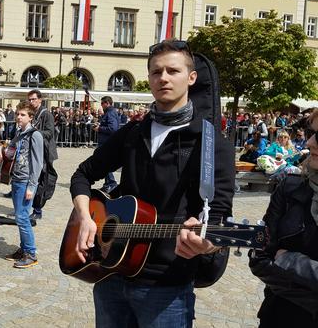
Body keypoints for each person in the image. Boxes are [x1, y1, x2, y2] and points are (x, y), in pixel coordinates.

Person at [69, 39, 235, 327]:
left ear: (191, 77)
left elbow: (218, 216)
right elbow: (82, 174)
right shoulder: (133, 132)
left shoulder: (211, 143)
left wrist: (205, 244)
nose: (164, 78)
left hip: (166, 286)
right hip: (110, 273)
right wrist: (85, 218)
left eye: (173, 70)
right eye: (156, 72)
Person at [249, 108, 318, 327]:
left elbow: (278, 258)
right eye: (310, 133)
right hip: (281, 315)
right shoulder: (290, 187)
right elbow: (260, 257)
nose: (310, 143)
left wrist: (290, 260)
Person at [4, 101, 43, 268]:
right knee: (20, 218)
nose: (18, 117)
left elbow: (38, 162)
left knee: (22, 217)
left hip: (26, 180)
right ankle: (23, 248)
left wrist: (32, 186)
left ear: (31, 117)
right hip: (17, 178)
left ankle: (31, 253)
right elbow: (12, 154)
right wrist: (8, 150)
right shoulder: (19, 133)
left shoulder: (35, 135)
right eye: (17, 114)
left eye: (22, 115)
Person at [26, 89, 58, 220]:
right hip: (35, 150)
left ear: (40, 100)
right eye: (30, 99)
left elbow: (50, 133)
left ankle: (38, 210)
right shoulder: (31, 113)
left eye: (33, 99)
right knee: (33, 178)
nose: (31, 101)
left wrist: (34, 132)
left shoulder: (46, 114)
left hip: (45, 152)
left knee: (41, 180)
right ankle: (31, 206)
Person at [95, 96, 121, 193]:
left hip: (107, 143)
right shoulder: (110, 112)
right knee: (104, 163)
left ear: (107, 103)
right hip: (106, 142)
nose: (101, 106)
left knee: (105, 163)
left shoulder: (110, 113)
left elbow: (113, 129)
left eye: (102, 103)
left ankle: (111, 183)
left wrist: (99, 129)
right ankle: (108, 183)